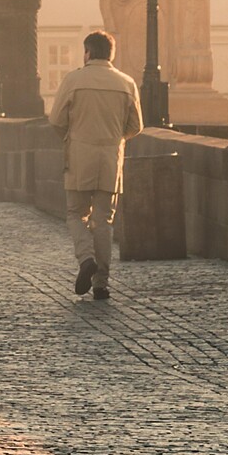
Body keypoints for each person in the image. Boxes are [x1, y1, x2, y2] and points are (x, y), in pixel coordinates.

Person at [49, 31, 143, 301]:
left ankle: (86, 257)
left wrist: (73, 135)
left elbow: (56, 120)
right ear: (111, 54)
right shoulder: (126, 83)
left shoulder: (74, 79)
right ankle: (101, 283)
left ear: (87, 52)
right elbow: (136, 126)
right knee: (104, 220)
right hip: (111, 158)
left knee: (75, 213)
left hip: (79, 155)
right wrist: (114, 139)